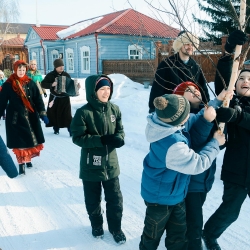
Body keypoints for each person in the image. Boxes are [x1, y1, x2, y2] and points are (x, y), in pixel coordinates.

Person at [139, 93, 226, 250]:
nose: (190, 116)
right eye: (187, 114)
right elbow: (198, 163)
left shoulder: (165, 122)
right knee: (151, 237)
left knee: (178, 236)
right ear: (179, 119)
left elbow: (197, 116)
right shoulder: (172, 144)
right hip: (159, 201)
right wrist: (215, 143)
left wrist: (218, 100)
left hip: (176, 195)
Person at [202, 30, 250, 250]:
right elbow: (223, 82)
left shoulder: (238, 111)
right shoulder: (230, 102)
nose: (245, 81)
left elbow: (243, 118)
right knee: (230, 210)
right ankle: (209, 235)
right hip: (237, 169)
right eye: (241, 78)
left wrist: (239, 116)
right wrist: (229, 53)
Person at [173, 82, 233, 250]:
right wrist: (211, 130)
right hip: (190, 181)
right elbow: (197, 138)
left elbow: (204, 115)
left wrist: (220, 99)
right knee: (195, 226)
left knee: (191, 215)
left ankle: (182, 235)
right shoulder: (182, 120)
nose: (196, 93)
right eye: (189, 91)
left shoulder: (202, 114)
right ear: (180, 98)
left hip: (204, 179)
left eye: (197, 90)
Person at [70, 75, 126, 244]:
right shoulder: (83, 112)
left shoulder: (114, 110)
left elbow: (120, 131)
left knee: (115, 199)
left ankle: (116, 228)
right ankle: (96, 225)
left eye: (108, 88)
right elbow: (77, 137)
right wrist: (100, 140)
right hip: (91, 165)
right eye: (102, 89)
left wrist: (119, 138)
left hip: (111, 164)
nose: (106, 92)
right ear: (93, 92)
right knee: (93, 199)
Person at [0, 60, 49, 175]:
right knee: (19, 142)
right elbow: (1, 102)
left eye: (23, 70)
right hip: (15, 118)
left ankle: (28, 160)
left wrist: (43, 114)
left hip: (30, 117)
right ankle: (21, 163)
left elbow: (38, 100)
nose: (21, 72)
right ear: (15, 69)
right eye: (19, 70)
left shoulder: (30, 83)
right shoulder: (8, 84)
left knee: (30, 140)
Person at [148, 31, 210, 113]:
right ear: (180, 44)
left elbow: (202, 88)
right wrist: (154, 109)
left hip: (192, 112)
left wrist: (207, 105)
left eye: (192, 44)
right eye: (187, 44)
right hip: (172, 111)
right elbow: (157, 89)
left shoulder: (195, 66)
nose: (190, 47)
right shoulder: (167, 64)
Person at [41, 58, 72, 136]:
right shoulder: (50, 75)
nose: (61, 67)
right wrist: (51, 84)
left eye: (62, 66)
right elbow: (43, 84)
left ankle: (71, 131)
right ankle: (56, 129)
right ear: (55, 67)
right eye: (59, 66)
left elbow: (70, 85)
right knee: (54, 114)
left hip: (65, 98)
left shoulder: (66, 75)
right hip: (54, 98)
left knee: (67, 115)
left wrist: (76, 86)